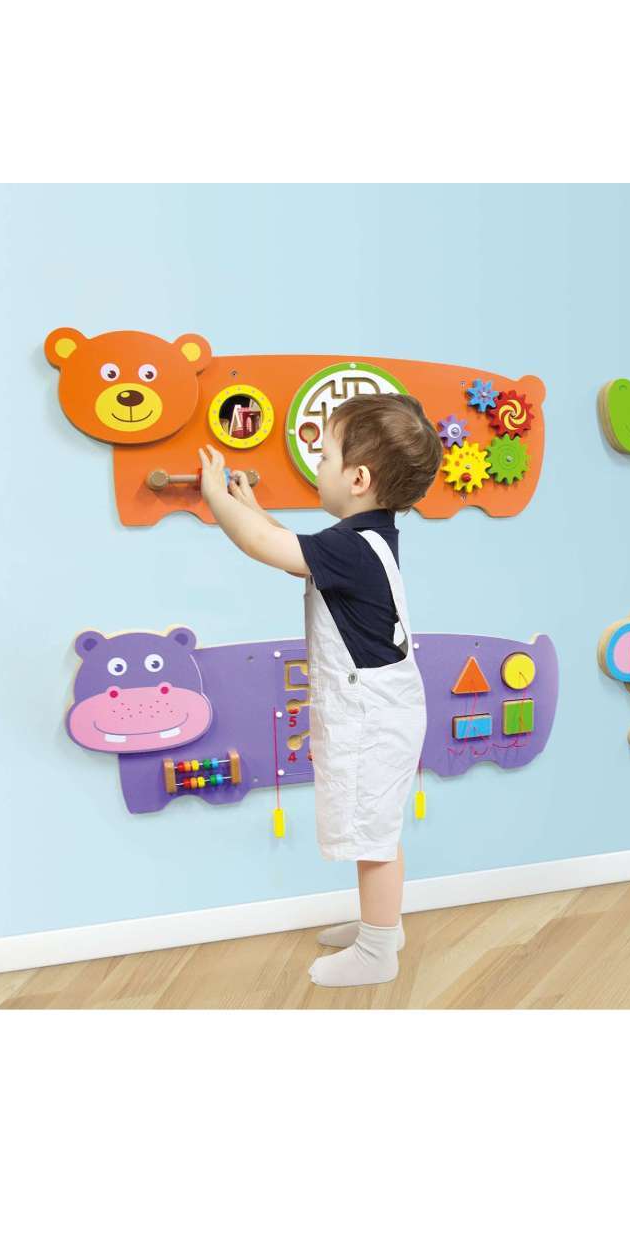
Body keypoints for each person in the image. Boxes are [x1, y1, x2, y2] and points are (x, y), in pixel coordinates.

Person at [198, 392, 442, 984]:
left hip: (371, 714)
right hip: (381, 707)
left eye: (325, 455)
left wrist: (216, 500)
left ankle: (377, 952)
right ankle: (382, 926)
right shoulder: (365, 537)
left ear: (358, 479)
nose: (318, 465)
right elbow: (294, 554)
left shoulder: (352, 546)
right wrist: (253, 507)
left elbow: (264, 547)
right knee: (376, 828)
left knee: (371, 836)